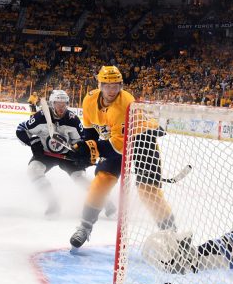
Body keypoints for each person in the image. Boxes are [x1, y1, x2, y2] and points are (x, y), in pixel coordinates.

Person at [68, 65, 177, 249]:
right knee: (101, 181)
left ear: (121, 85)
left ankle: (172, 234)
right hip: (115, 140)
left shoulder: (125, 103)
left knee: (147, 191)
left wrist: (91, 151)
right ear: (100, 85)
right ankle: (85, 227)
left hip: (142, 139)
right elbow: (90, 134)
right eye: (108, 86)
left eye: (116, 86)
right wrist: (86, 151)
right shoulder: (89, 100)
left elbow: (118, 147)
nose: (112, 90)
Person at [16, 90, 116, 218]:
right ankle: (53, 203)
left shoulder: (73, 120)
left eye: (64, 104)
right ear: (52, 104)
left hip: (68, 156)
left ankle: (105, 202)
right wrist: (34, 142)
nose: (61, 107)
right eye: (58, 104)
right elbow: (21, 130)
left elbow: (83, 141)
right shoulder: (40, 117)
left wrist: (81, 155)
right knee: (33, 171)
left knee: (80, 178)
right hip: (44, 153)